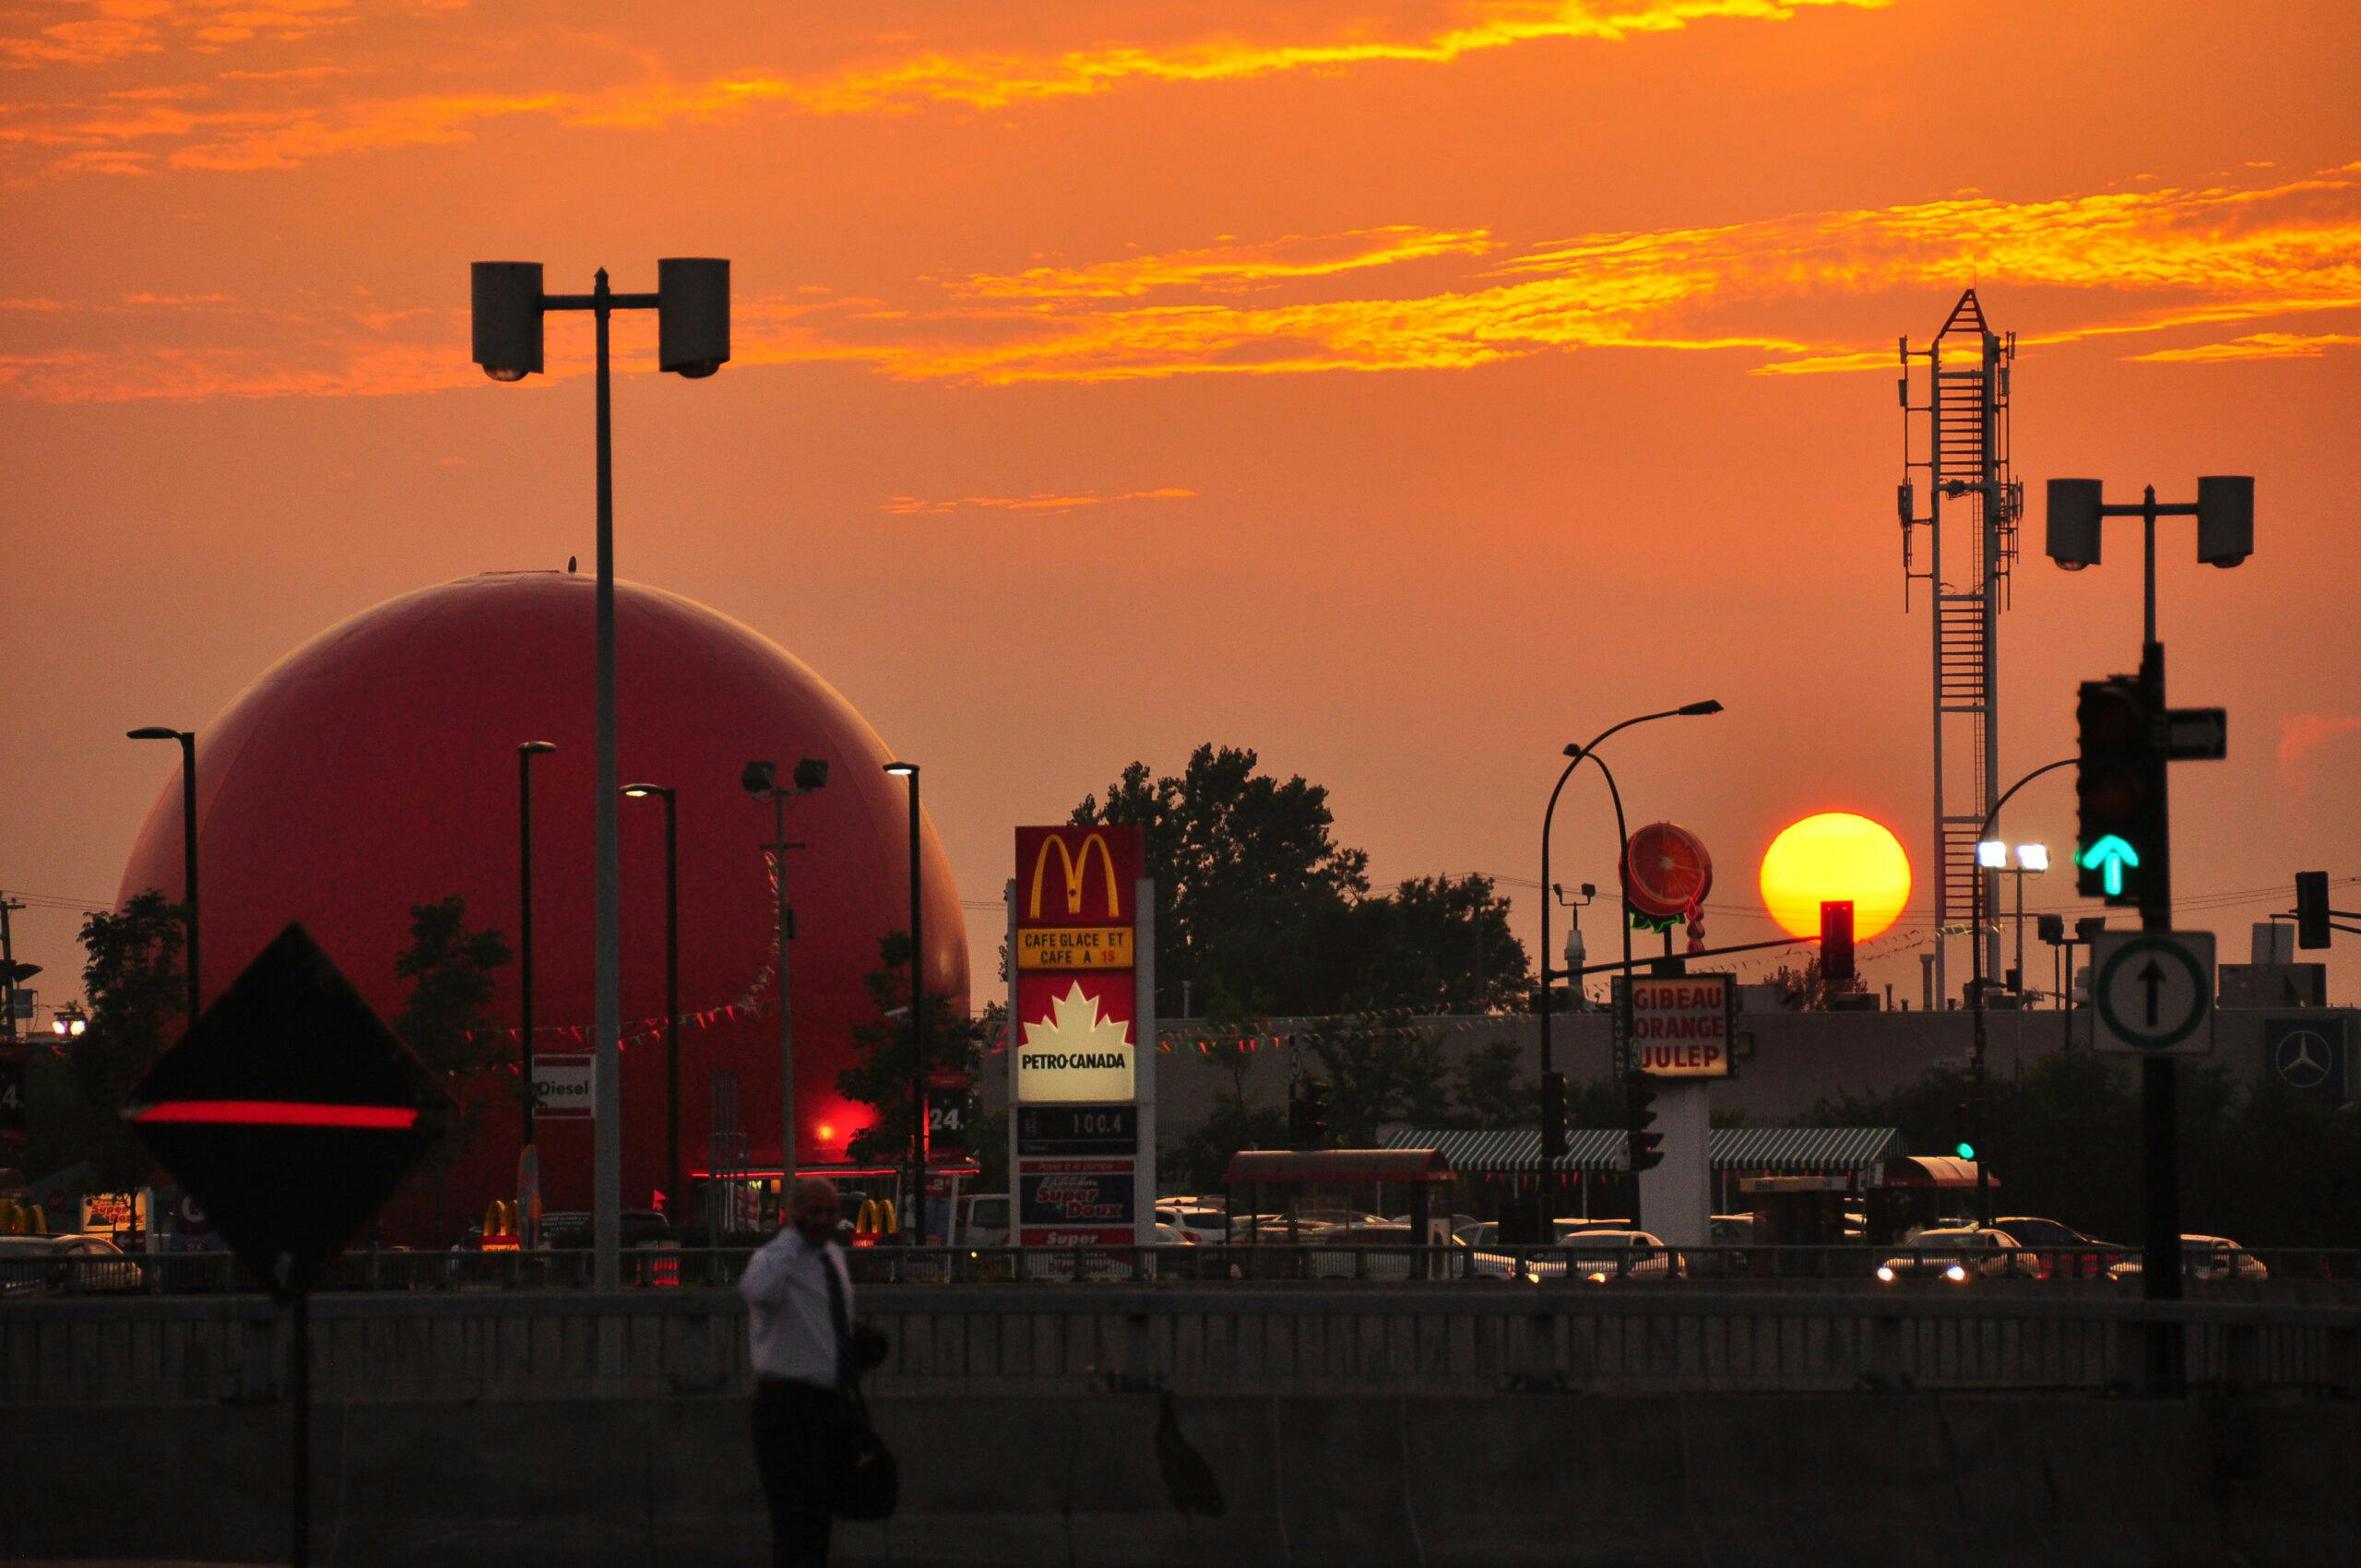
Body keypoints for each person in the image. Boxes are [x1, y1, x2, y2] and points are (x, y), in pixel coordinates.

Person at [742, 1176, 855, 1567]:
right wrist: (793, 1238)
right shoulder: (774, 1258)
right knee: (794, 1521)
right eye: (814, 1212)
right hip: (786, 1406)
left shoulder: (834, 1259)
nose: (824, 1221)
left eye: (830, 1212)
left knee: (820, 1518)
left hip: (827, 1402)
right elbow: (758, 1291)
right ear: (795, 1214)